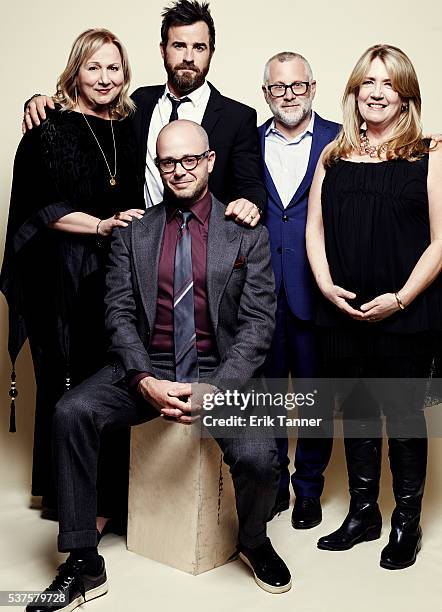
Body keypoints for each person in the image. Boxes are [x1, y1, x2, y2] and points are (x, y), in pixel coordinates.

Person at [25, 119, 291, 612]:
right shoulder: (135, 233)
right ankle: (83, 561)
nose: (180, 170)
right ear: (158, 166)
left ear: (210, 160)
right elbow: (119, 314)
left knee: (258, 456)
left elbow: (257, 323)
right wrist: (143, 377)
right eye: (168, 162)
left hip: (221, 368)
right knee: (71, 411)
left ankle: (254, 540)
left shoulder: (244, 232)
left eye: (190, 159)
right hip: (150, 362)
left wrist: (221, 387)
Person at [0, 29, 144, 529]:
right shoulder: (50, 128)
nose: (104, 78)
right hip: (61, 280)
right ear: (75, 73)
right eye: (93, 67)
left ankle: (109, 498)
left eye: (113, 68)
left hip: (115, 277)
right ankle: (73, 502)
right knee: (69, 384)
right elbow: (39, 209)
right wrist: (101, 225)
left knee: (115, 382)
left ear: (125, 74)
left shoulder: (130, 127)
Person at [306, 43, 442, 569]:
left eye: (389, 84)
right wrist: (324, 283)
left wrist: (402, 299)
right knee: (356, 411)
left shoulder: (428, 153)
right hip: (342, 311)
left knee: (403, 415)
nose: (377, 92)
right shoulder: (333, 155)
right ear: (355, 91)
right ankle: (363, 514)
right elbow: (315, 229)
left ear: (405, 95)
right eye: (369, 82)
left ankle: (406, 523)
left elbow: (439, 241)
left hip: (404, 314)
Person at [23, 0, 265, 226]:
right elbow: (87, 117)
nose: (189, 57)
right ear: (163, 50)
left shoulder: (238, 117)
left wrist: (251, 203)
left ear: (211, 51)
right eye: (179, 45)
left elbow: (251, 186)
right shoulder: (137, 103)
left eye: (199, 47)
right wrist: (41, 102)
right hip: (139, 244)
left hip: (207, 252)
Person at [260, 52, 339, 527]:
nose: (288, 95)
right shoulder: (248, 144)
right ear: (266, 92)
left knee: (313, 399)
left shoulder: (339, 138)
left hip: (318, 292)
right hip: (262, 295)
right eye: (277, 87)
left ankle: (308, 489)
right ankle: (271, 485)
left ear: (312, 87)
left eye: (297, 85)